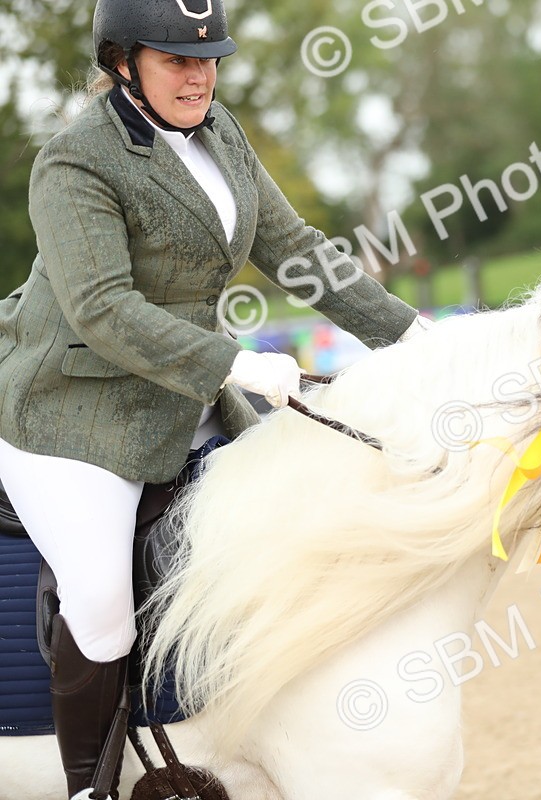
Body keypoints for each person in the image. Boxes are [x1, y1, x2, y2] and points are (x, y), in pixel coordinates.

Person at [0, 1, 425, 797]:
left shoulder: (220, 133)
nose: (199, 75)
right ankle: (90, 787)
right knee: (99, 600)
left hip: (184, 399)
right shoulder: (74, 162)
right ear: (124, 61)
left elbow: (298, 252)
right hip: (71, 412)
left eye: (208, 59)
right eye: (176, 59)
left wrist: (416, 340)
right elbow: (102, 308)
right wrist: (231, 361)